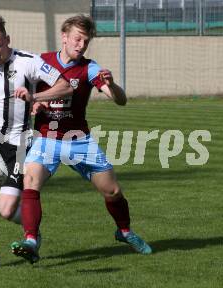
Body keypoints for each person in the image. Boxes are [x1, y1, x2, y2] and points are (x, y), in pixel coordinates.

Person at [11, 14, 152, 264]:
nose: (81, 45)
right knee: (30, 180)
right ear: (64, 37)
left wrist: (113, 84)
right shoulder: (41, 62)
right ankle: (32, 239)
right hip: (47, 138)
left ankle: (125, 231)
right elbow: (25, 94)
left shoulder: (89, 67)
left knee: (113, 191)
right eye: (77, 39)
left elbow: (120, 100)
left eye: (85, 41)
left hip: (79, 140)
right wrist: (35, 105)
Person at [0, 14, 72, 270]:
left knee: (6, 210)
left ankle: (31, 230)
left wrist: (36, 96)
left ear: (7, 40)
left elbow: (65, 86)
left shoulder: (29, 63)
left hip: (19, 144)